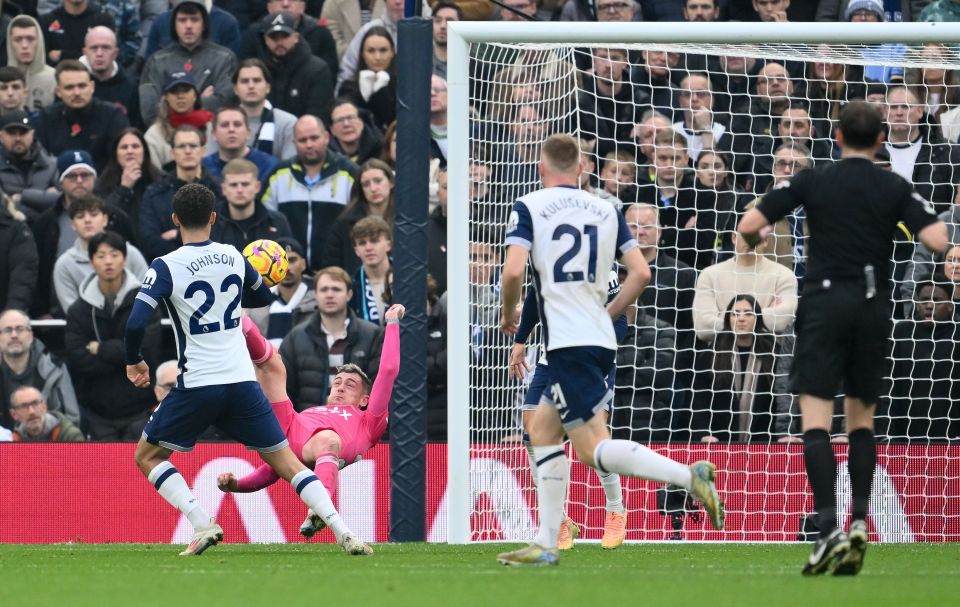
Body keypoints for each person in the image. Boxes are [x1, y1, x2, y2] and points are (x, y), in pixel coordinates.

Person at [738, 100, 949, 576]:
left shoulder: (812, 179)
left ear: (835, 137)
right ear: (880, 140)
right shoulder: (894, 184)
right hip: (874, 304)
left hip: (824, 303)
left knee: (816, 418)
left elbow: (750, 224)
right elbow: (936, 238)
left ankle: (827, 527)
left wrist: (755, 246)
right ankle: (858, 522)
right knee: (861, 421)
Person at [496, 133, 724, 566]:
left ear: (542, 170)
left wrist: (509, 314)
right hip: (597, 339)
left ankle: (687, 477)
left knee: (591, 448)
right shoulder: (607, 209)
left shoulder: (529, 206)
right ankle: (546, 543)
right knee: (542, 432)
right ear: (582, 170)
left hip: (566, 343)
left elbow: (512, 273)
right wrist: (608, 313)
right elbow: (640, 273)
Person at [125, 182, 371, 556]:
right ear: (213, 217)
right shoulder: (232, 257)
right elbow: (262, 297)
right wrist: (251, 275)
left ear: (175, 220)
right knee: (288, 464)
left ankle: (203, 524)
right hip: (242, 384)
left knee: (147, 456)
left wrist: (134, 361)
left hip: (198, 384)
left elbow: (135, 323)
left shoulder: (165, 266)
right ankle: (344, 532)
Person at [217, 303, 402, 538]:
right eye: (337, 382)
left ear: (364, 399)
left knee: (327, 440)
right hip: (290, 427)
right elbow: (273, 468)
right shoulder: (310, 412)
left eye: (350, 384)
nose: (341, 387)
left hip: (327, 445)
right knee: (273, 366)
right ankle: (238, 315)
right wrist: (236, 485)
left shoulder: (368, 419)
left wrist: (393, 323)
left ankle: (318, 508)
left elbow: (387, 370)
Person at [65, 230, 159, 440]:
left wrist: (99, 348)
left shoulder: (145, 302)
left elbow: (147, 349)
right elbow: (77, 358)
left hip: (141, 410)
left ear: (124, 259)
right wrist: (126, 356)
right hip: (98, 413)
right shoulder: (79, 310)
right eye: (100, 256)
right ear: (91, 262)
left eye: (114, 255)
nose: (108, 261)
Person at [261, 115, 359, 270]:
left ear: (326, 137)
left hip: (337, 271)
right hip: (289, 270)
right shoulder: (278, 174)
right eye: (302, 140)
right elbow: (264, 219)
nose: (309, 144)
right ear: (294, 143)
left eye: (314, 138)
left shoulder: (349, 172)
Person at [278, 266, 382, 411]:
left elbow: (379, 391)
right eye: (323, 289)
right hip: (310, 428)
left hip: (356, 428)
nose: (329, 295)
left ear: (349, 294)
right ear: (315, 295)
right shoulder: (295, 337)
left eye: (336, 289)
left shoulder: (372, 335)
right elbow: (284, 391)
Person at [138, 0, 237, 127]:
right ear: (174, 25)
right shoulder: (156, 61)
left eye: (194, 20)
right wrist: (200, 101)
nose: (188, 25)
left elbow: (225, 104)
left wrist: (172, 104)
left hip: (210, 134)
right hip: (166, 135)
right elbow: (149, 112)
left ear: (204, 24)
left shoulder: (224, 58)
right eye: (182, 20)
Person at [53, 195, 149, 314]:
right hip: (87, 329)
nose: (87, 220)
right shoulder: (64, 264)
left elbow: (147, 297)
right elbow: (72, 312)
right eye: (80, 216)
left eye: (93, 214)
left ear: (105, 220)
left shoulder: (131, 253)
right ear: (73, 224)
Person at [139, 125, 220, 261]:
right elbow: (148, 241)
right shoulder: (155, 193)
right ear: (172, 153)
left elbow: (222, 235)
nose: (187, 151)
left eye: (193, 146)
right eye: (181, 146)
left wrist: (177, 236)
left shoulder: (219, 190)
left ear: (203, 151)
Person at [35, 60, 129, 168]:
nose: (77, 93)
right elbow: (40, 162)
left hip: (103, 182)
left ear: (92, 87)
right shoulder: (46, 118)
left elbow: (119, 161)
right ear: (58, 92)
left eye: (82, 86)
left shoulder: (112, 115)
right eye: (69, 87)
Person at [0, 308, 80, 430]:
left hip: (47, 445)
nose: (14, 335)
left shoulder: (54, 368)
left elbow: (71, 421)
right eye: (7, 330)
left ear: (31, 336)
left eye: (20, 329)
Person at [253, 11, 335, 121]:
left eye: (285, 36)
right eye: (274, 37)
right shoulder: (257, 71)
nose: (279, 42)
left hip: (305, 134)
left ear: (296, 37)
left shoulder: (317, 70)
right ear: (265, 39)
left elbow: (318, 116)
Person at [321, 158, 393, 275]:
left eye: (378, 181)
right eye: (366, 184)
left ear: (391, 182)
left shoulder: (406, 221)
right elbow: (331, 266)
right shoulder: (345, 223)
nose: (373, 189)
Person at [244, 237, 315, 347]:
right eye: (278, 261)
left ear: (304, 264)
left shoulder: (318, 300)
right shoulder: (253, 303)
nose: (287, 268)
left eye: (292, 260)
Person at [210, 157, 292, 252]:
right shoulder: (210, 224)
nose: (239, 190)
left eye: (245, 184)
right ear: (224, 189)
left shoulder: (277, 222)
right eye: (233, 185)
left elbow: (289, 258)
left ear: (257, 187)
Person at [94, 127, 162, 233]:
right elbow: (102, 217)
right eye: (124, 147)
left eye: (135, 146)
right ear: (116, 154)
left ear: (144, 152)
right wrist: (123, 188)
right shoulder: (102, 184)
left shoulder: (160, 181)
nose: (130, 151)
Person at [143, 71, 214, 172]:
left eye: (186, 90)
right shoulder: (154, 135)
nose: (180, 96)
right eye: (174, 91)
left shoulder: (212, 128)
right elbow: (154, 174)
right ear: (166, 97)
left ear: (195, 96)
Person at [229, 58, 297, 161]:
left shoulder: (287, 123)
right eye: (244, 81)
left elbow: (290, 166)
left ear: (268, 87)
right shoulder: (223, 123)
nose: (251, 86)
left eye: (257, 80)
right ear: (235, 89)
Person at [80, 26, 141, 129]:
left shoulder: (130, 87)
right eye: (94, 48)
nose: (99, 54)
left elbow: (135, 128)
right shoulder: (73, 84)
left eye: (105, 48)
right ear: (85, 52)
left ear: (115, 53)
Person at [201, 106, 279, 185]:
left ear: (248, 132)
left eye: (237, 124)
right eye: (224, 125)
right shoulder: (202, 168)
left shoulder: (270, 167)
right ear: (214, 134)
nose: (231, 129)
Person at [39, 0, 115, 66]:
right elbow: (43, 58)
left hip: (93, 78)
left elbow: (107, 57)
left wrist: (62, 55)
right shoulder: (46, 21)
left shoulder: (103, 20)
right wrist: (85, 56)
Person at [6, 15, 57, 112]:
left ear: (39, 40)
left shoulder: (55, 78)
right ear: (10, 43)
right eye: (18, 40)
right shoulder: (2, 79)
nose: (24, 45)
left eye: (30, 39)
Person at [348, 216, 391, 324]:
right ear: (356, 251)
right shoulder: (351, 286)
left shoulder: (407, 278)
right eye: (362, 243)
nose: (368, 248)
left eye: (374, 241)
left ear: (388, 245)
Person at [8, 385, 84, 442]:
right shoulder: (11, 440)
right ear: (14, 414)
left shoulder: (69, 436)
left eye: (35, 403)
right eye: (24, 406)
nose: (31, 412)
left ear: (44, 406)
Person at [328, 98, 383, 164]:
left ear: (361, 122)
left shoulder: (382, 149)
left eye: (350, 117)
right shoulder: (324, 155)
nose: (346, 124)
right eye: (340, 120)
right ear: (332, 129)